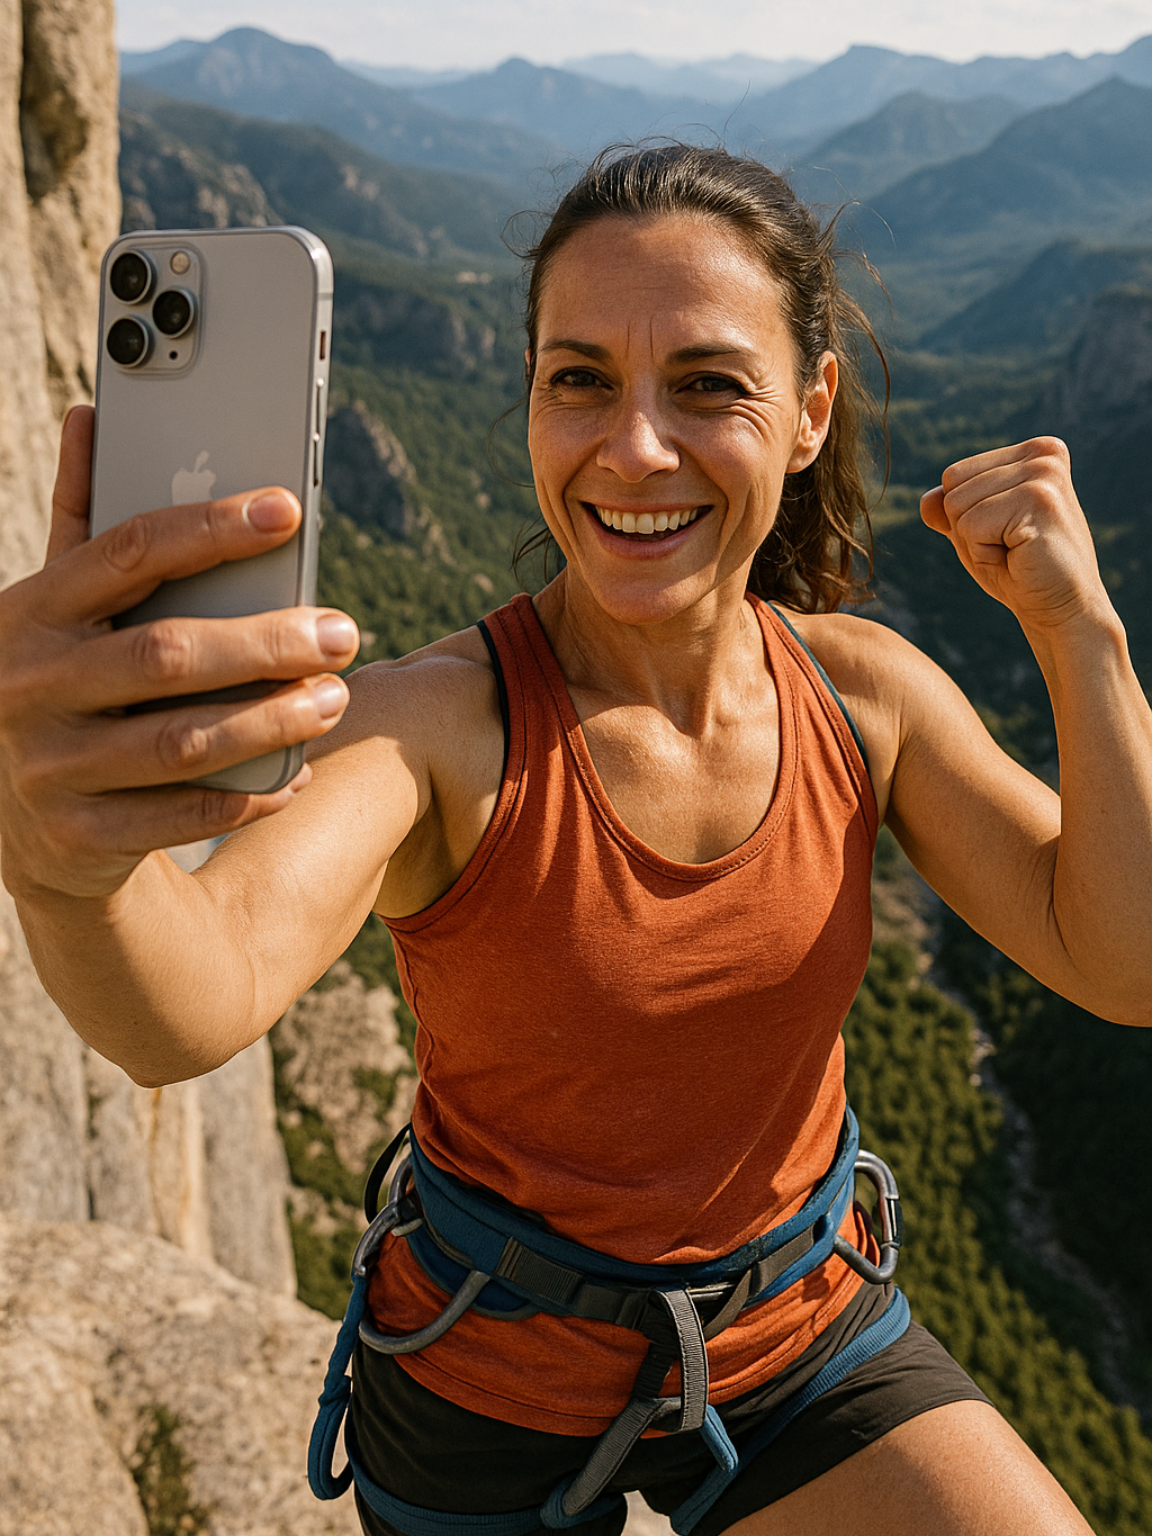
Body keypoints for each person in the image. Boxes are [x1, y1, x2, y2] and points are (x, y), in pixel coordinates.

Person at [1, 145, 1149, 1536]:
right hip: (486, 1392)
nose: (636, 447)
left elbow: (1123, 959)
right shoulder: (434, 730)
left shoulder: (866, 698)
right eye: (580, 379)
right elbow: (197, 996)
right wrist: (66, 863)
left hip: (796, 1343)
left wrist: (1081, 634)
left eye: (711, 384)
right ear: (531, 399)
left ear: (808, 412)